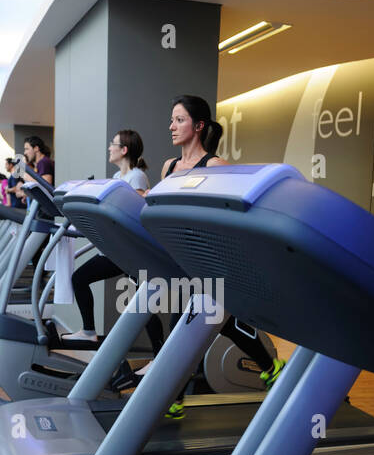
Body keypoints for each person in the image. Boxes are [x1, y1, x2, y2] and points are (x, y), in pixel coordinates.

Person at [160, 95, 285, 419]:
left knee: (183, 322)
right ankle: (271, 366)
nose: (172, 126)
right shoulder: (169, 167)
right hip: (181, 254)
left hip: (210, 257)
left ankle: (171, 397)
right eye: (172, 120)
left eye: (179, 120)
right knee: (223, 322)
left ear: (199, 126)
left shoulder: (216, 166)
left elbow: (236, 213)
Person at [63, 129, 159, 345]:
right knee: (79, 279)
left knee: (143, 304)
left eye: (113, 144)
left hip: (130, 252)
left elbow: (135, 212)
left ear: (124, 150)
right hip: (114, 250)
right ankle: (88, 331)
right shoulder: (117, 177)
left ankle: (159, 355)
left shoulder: (137, 176)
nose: (109, 147)